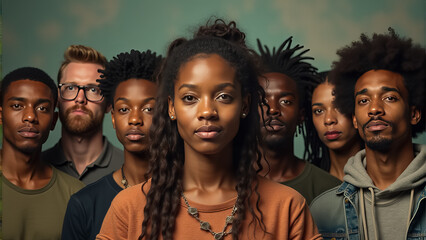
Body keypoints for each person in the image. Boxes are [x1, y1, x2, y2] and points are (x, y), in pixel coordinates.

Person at [97, 30, 321, 239]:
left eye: (223, 96)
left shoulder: (288, 207)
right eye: (190, 98)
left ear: (244, 105)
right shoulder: (128, 209)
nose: (207, 112)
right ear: (171, 108)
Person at [310, 28, 426, 240]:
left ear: (414, 114)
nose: (374, 109)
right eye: (363, 101)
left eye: (389, 97)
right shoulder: (322, 211)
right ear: (354, 119)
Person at [61, 50, 162, 239]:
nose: (134, 119)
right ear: (113, 118)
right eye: (124, 109)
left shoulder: (189, 195)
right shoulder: (84, 203)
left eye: (149, 109)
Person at [1, 67, 85, 239]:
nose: (30, 116)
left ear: (54, 121)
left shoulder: (75, 194)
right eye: (17, 106)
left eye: (42, 108)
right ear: (1, 115)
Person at [256, 37, 341, 204]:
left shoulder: (331, 190)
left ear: (301, 115)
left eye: (285, 101)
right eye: (262, 101)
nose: (273, 109)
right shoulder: (227, 182)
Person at [42, 45, 124, 184]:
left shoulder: (128, 168)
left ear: (109, 104)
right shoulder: (35, 166)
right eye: (70, 88)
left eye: (93, 89)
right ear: (56, 98)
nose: (80, 99)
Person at [310, 71, 363, 180]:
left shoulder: (384, 176)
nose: (329, 120)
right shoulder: (309, 180)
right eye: (319, 111)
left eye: (339, 107)